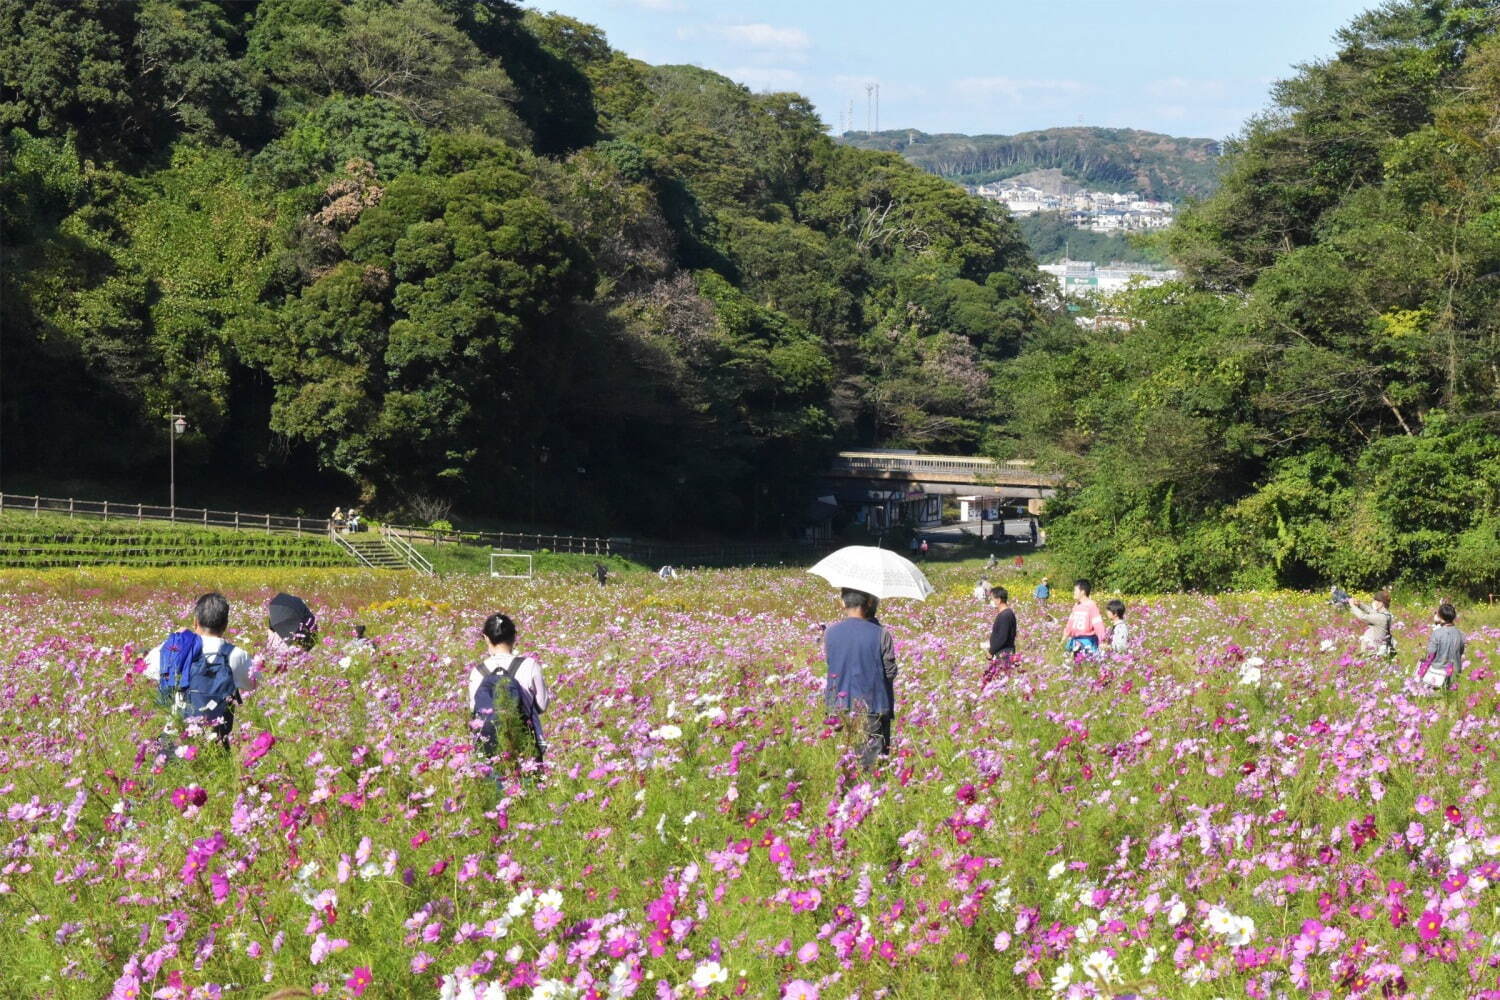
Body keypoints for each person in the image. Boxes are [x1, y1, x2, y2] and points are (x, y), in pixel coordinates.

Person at [141, 592, 257, 749]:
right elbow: (253, 684)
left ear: (195, 621)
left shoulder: (177, 647)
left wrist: (176, 639)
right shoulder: (237, 655)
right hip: (215, 743)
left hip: (176, 739)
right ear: (225, 625)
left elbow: (144, 667)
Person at [823, 588, 897, 770]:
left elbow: (831, 663)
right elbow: (890, 672)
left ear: (842, 602)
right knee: (872, 768)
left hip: (838, 708)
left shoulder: (830, 633)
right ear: (870, 602)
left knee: (843, 765)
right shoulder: (881, 634)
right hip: (873, 707)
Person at [468, 612, 550, 771]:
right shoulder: (530, 665)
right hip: (526, 746)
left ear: (486, 638)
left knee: (497, 787)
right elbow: (542, 705)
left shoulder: (477, 672)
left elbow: (474, 710)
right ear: (514, 636)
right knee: (531, 789)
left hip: (491, 748)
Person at [1419, 603, 1466, 690]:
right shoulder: (1461, 634)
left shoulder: (1437, 633)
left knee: (1437, 698)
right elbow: (1461, 653)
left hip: (1438, 674)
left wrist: (1422, 670)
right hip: (1454, 674)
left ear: (1440, 617)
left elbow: (1430, 655)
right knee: (1450, 698)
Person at [1062, 579, 1108, 660]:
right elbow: (1070, 622)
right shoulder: (1076, 606)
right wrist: (1066, 634)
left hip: (1087, 641)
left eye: (1075, 590)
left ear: (1082, 592)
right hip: (1075, 641)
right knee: (1074, 666)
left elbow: (1098, 624)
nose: (1074, 592)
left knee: (1085, 665)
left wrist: (1102, 640)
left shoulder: (1091, 606)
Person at [983, 586, 1018, 682]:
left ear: (998, 600)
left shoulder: (1005, 615)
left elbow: (1002, 638)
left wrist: (991, 652)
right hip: (1004, 651)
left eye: (992, 598)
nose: (992, 601)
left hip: (1003, 653)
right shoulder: (1007, 613)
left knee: (1001, 682)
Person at [1349, 590, 1395, 658]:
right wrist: (1359, 604)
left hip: (1374, 653)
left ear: (1381, 603)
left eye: (1376, 601)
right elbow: (1371, 611)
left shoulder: (1380, 617)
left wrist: (1352, 606)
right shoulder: (1387, 615)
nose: (1374, 603)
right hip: (1380, 650)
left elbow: (1363, 616)